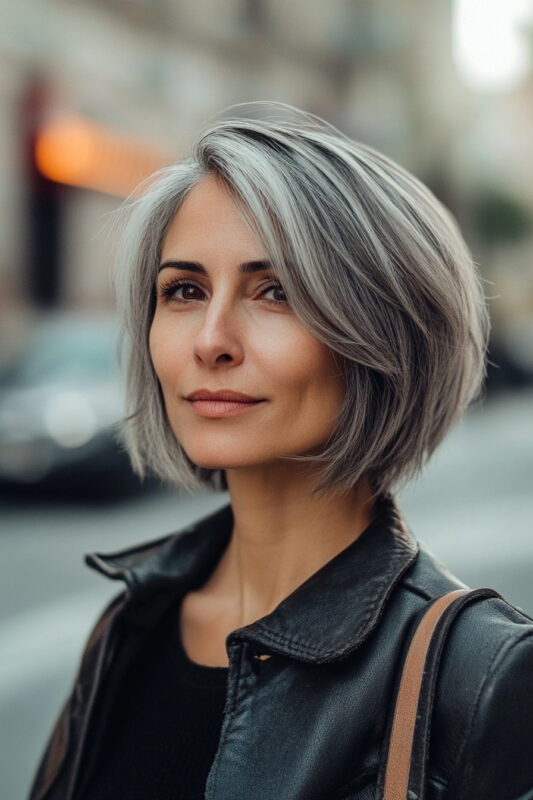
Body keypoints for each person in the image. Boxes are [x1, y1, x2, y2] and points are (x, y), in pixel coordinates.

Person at [29, 103, 533, 800]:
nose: (211, 339)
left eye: (275, 292)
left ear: (384, 334)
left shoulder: (477, 672)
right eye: (184, 291)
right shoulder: (130, 620)